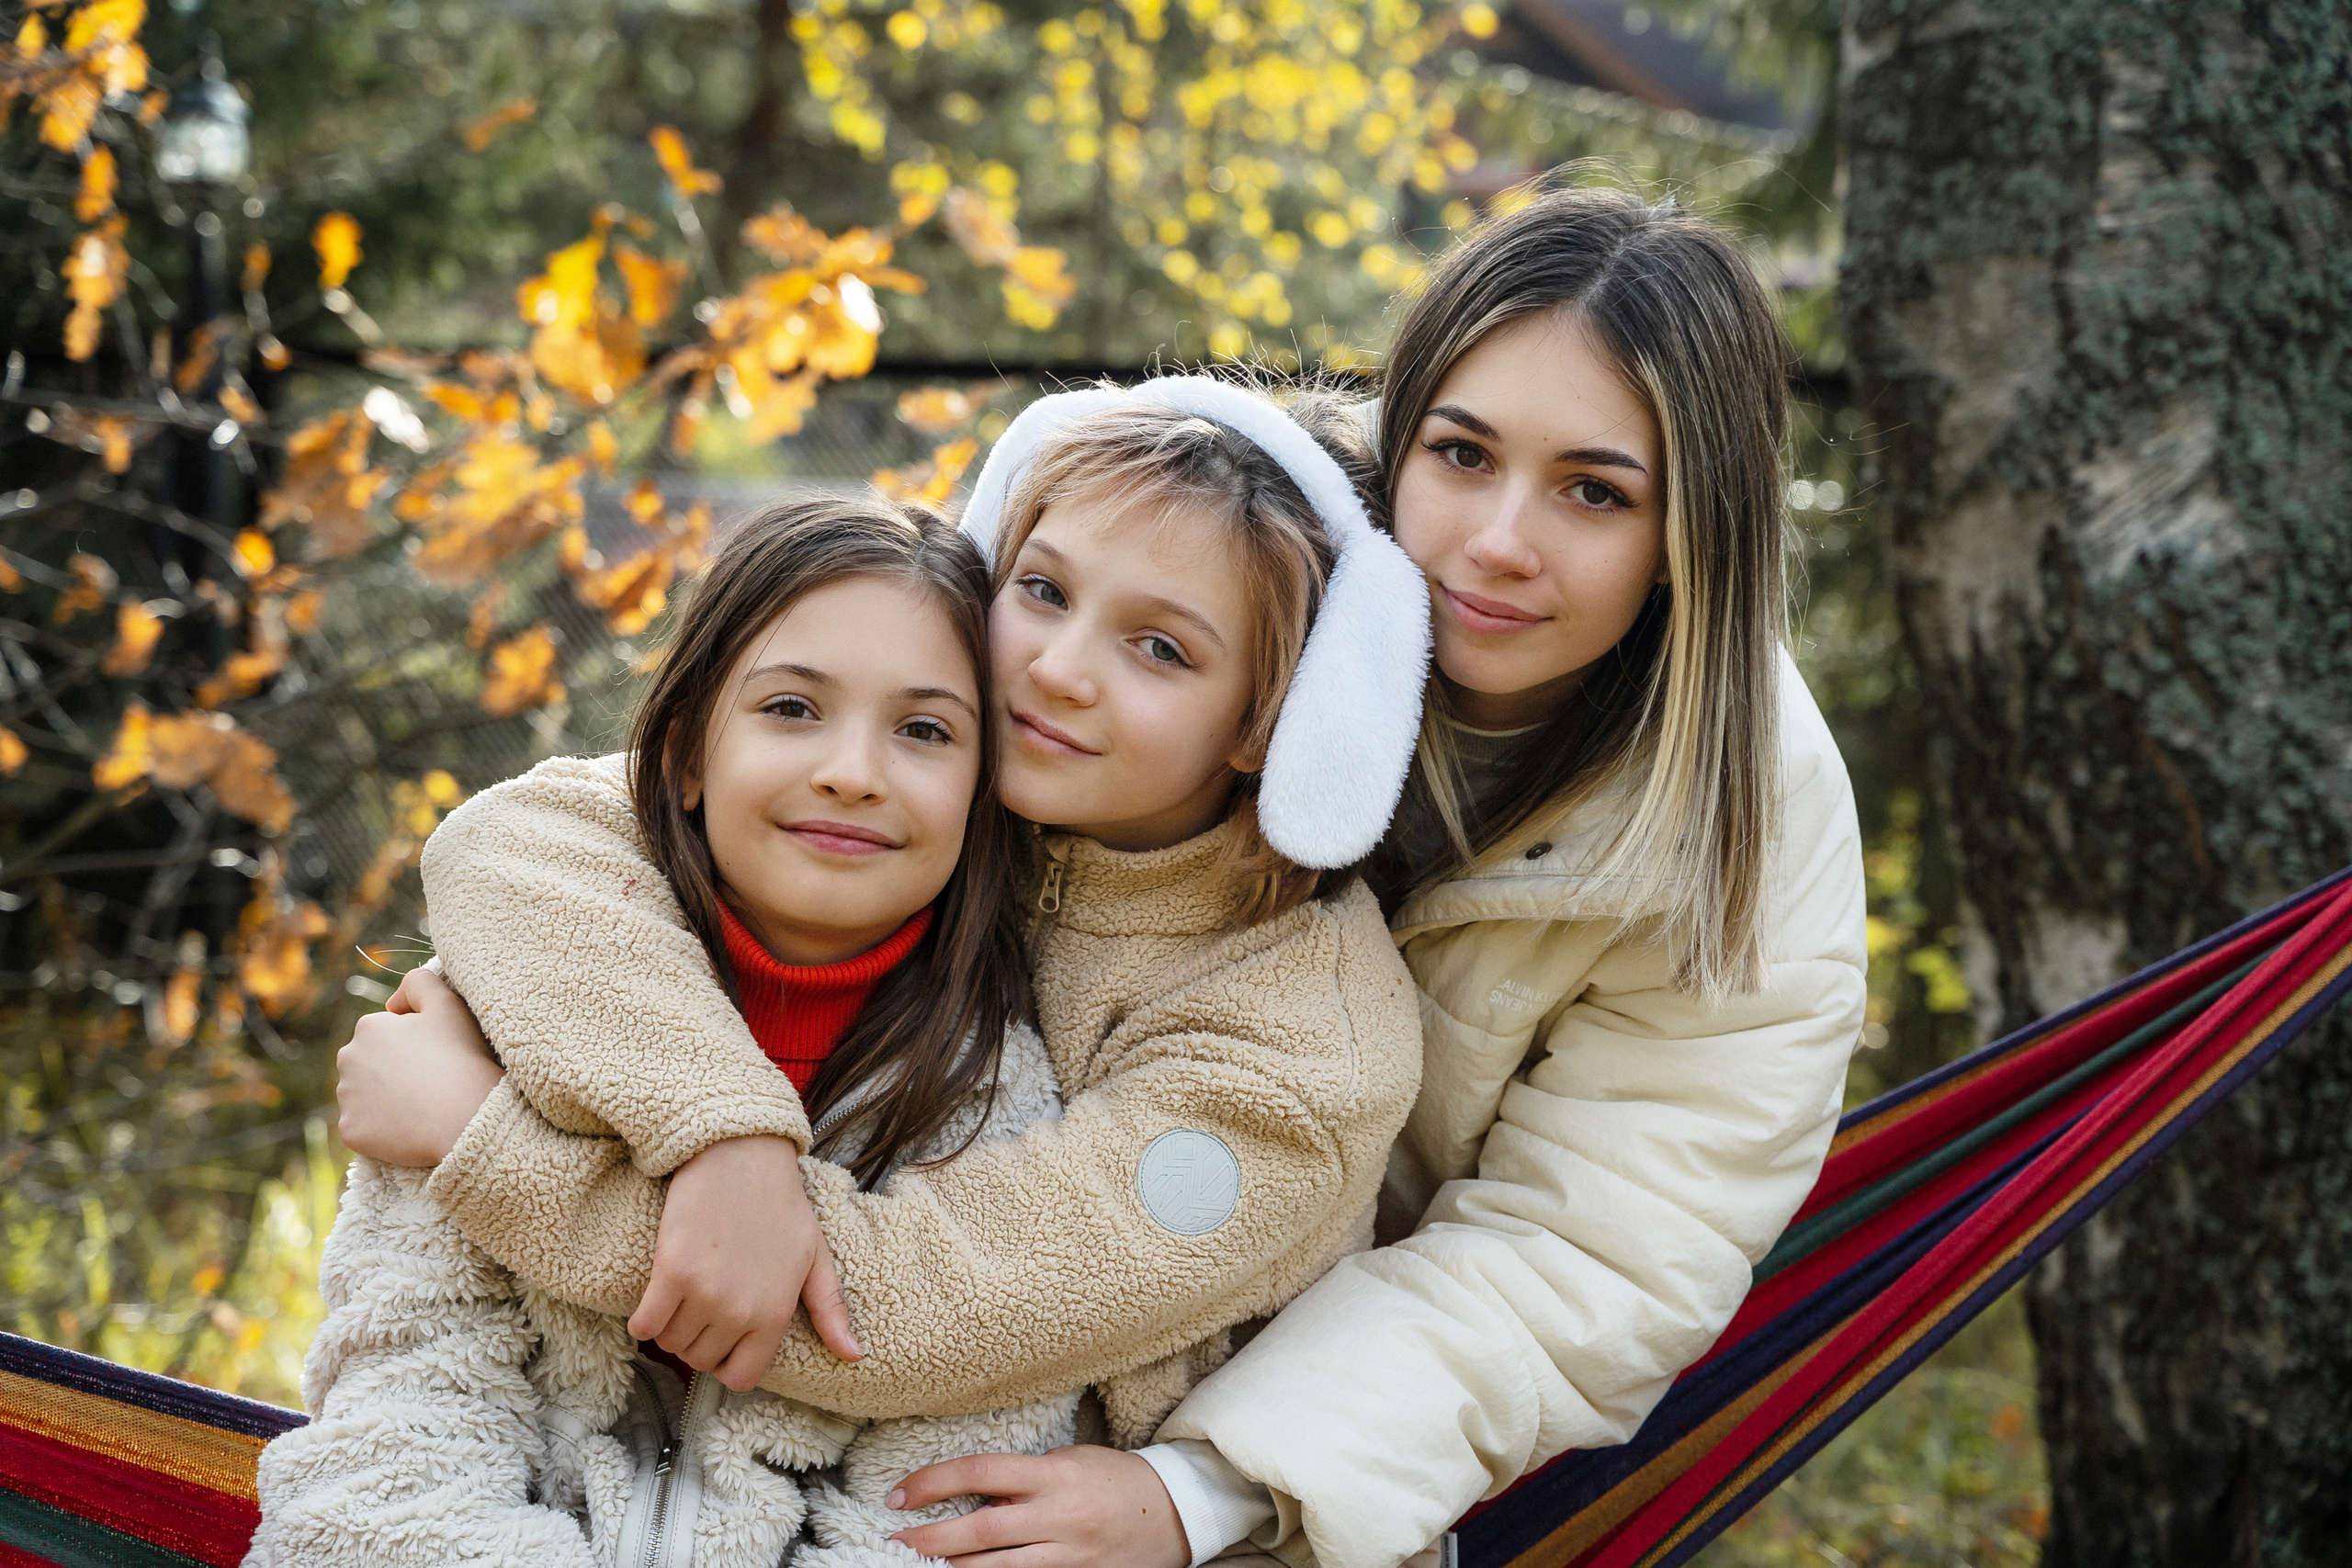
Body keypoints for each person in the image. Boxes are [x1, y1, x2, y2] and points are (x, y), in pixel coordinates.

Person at [887, 181, 1869, 1568]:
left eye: (1595, 490)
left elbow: (1588, 1257)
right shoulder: (1233, 553)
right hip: (956, 1218)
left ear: (1689, 532)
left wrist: (1204, 1485)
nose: (1498, 540)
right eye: (1462, 453)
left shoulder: (1743, 821)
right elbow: (832, 728)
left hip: (1277, 1407)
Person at [329, 379, 1432, 1555]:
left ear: (1272, 723)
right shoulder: (943, 799)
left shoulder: (1300, 1043)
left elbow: (909, 1316)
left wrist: (480, 1143)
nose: (1058, 668)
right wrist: (724, 1132)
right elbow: (529, 839)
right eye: (1044, 590)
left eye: (1160, 648)